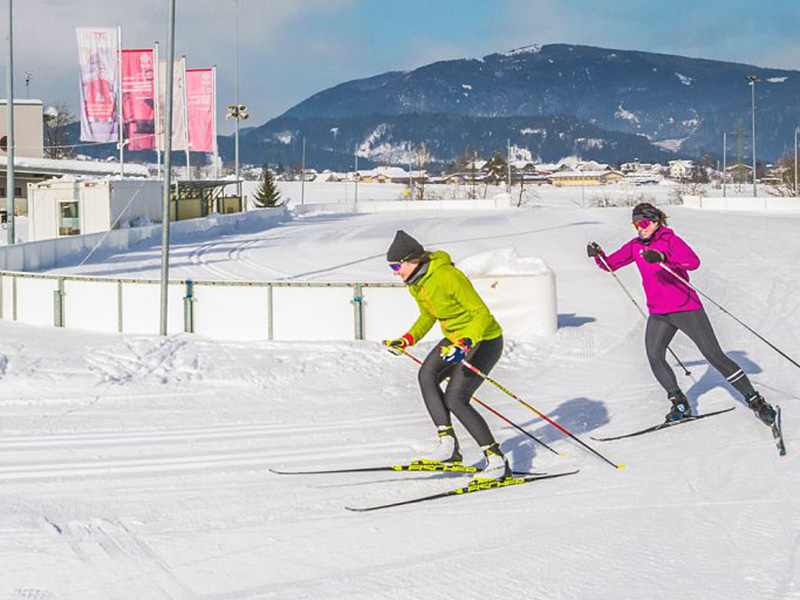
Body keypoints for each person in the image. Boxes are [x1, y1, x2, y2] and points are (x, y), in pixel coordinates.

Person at [587, 203, 777, 426]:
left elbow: (693, 262)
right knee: (655, 356)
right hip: (659, 313)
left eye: (644, 223)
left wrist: (663, 258)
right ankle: (679, 402)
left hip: (686, 308)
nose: (640, 228)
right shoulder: (635, 245)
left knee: (713, 355)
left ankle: (756, 401)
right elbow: (611, 265)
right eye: (636, 224)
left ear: (656, 221)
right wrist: (598, 256)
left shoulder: (669, 240)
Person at [383, 230, 510, 482]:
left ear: (412, 260)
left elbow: (481, 314)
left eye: (397, 265)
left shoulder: (447, 275)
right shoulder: (417, 284)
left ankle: (496, 460)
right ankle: (448, 445)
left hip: (483, 339)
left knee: (456, 398)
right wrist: (407, 339)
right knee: (426, 375)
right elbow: (429, 315)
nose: (395, 271)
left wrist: (464, 343)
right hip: (456, 339)